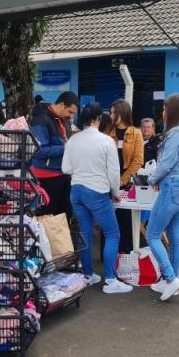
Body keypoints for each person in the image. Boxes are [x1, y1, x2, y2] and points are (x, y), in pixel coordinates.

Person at [61, 102, 130, 294]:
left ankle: (88, 275)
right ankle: (110, 280)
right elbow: (114, 172)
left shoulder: (73, 140)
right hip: (97, 192)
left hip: (76, 191)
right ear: (98, 119)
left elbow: (65, 168)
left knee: (85, 232)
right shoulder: (106, 141)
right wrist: (115, 193)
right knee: (113, 234)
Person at [146, 94, 179, 301]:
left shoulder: (175, 133)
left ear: (172, 111)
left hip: (172, 187)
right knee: (175, 238)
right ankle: (172, 280)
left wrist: (150, 179)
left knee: (152, 234)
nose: (162, 112)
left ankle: (170, 278)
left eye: (164, 108)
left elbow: (166, 164)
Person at [29, 92, 79, 218]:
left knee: (64, 216)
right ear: (62, 105)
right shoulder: (41, 119)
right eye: (70, 112)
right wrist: (65, 148)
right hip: (46, 177)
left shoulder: (64, 120)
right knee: (49, 218)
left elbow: (65, 140)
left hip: (63, 174)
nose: (71, 116)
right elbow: (38, 151)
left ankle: (62, 238)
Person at [108, 99, 144, 252]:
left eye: (113, 112)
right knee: (109, 220)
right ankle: (109, 254)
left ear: (121, 114)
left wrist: (123, 180)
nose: (110, 116)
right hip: (108, 181)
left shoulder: (136, 133)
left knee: (125, 219)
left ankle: (126, 252)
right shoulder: (108, 133)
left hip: (126, 182)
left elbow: (138, 160)